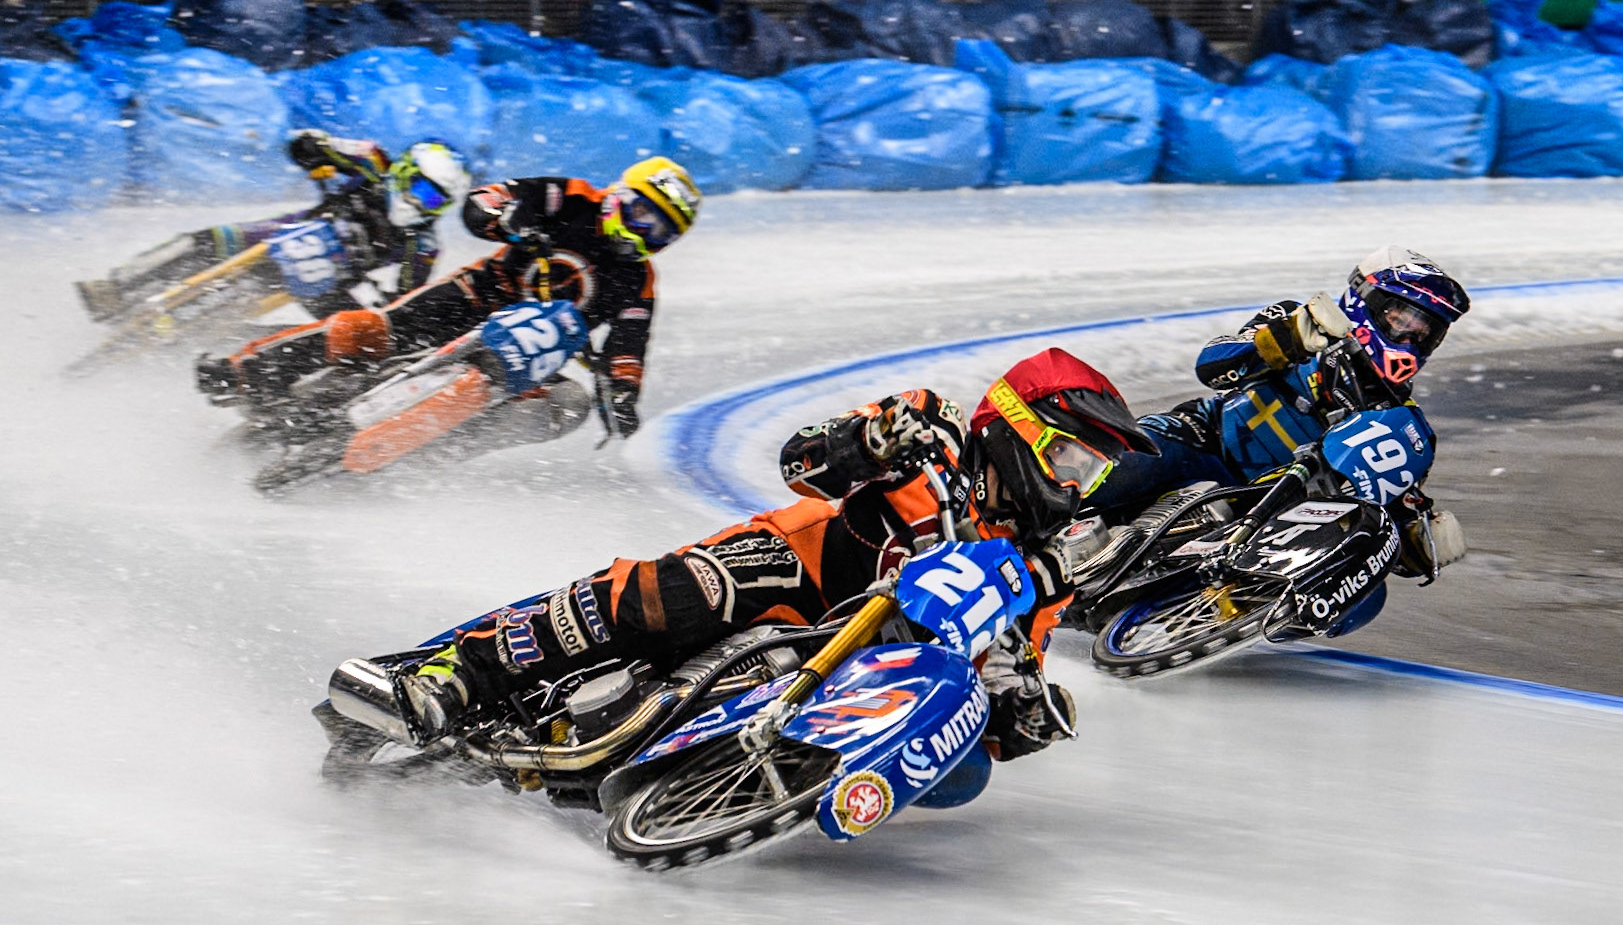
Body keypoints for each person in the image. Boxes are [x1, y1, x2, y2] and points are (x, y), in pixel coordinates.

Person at [394, 346, 1160, 759]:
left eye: (1089, 474)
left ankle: (744, 775)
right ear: (1017, 428)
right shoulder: (939, 431)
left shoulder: (1038, 567)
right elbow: (802, 462)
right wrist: (870, 438)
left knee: (956, 768)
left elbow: (1008, 677)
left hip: (864, 664)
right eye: (1068, 462)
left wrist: (1018, 709)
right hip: (794, 567)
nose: (1073, 487)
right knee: (678, 592)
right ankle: (461, 670)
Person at [195, 157, 701, 440]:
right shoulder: (568, 197)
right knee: (367, 330)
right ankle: (245, 372)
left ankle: (439, 450)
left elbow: (630, 343)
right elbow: (487, 199)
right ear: (619, 194)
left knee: (565, 407)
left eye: (658, 229)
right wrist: (505, 219)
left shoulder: (639, 282)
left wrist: (623, 393)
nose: (641, 231)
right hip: (472, 298)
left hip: (528, 352)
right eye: (640, 212)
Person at [1084, 246, 1471, 585]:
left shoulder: (1402, 425)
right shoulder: (1299, 321)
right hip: (1205, 439)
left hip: (1266, 516)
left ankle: (1207, 616)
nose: (1409, 338)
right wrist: (1286, 340)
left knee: (1364, 597)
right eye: (1401, 320)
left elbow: (1378, 517)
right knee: (1124, 465)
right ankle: (1036, 518)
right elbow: (1211, 365)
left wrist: (1417, 542)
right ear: (1365, 300)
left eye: (1423, 332)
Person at [76, 131, 466, 322]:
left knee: (350, 336)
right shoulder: (373, 160)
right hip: (290, 233)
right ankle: (117, 287)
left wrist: (388, 308)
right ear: (404, 171)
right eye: (418, 188)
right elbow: (311, 143)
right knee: (207, 240)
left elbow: (408, 298)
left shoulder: (425, 243)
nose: (418, 202)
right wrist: (312, 150)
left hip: (331, 282)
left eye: (433, 200)